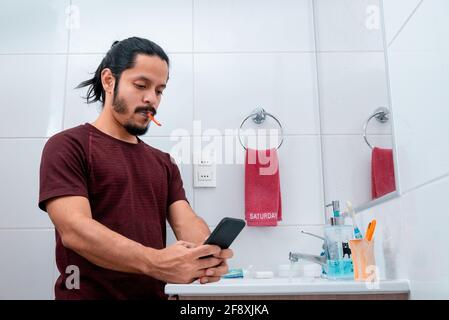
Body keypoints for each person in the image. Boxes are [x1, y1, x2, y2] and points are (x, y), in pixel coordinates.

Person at [38, 37, 232, 300]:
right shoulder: (68, 146)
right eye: (141, 85)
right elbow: (74, 231)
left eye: (160, 90)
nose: (151, 99)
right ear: (109, 81)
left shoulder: (163, 162)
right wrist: (157, 262)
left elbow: (187, 225)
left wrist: (207, 255)